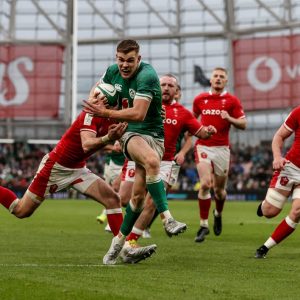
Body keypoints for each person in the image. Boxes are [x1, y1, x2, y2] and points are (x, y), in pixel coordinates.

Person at [83, 40, 188, 265]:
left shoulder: (147, 75)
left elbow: (140, 113)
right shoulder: (112, 72)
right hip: (130, 133)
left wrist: (105, 112)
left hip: (154, 137)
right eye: (120, 60)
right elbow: (96, 91)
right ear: (116, 58)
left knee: (138, 199)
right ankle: (167, 219)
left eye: (130, 60)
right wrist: (97, 102)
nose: (124, 65)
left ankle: (117, 244)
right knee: (151, 162)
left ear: (138, 59)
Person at [117, 74, 216, 263]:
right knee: (125, 199)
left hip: (164, 162)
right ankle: (122, 233)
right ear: (157, 86)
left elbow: (200, 132)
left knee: (151, 202)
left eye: (171, 85)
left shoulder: (183, 113)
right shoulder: (144, 103)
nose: (166, 88)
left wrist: (208, 131)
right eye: (163, 84)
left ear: (176, 90)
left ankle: (130, 242)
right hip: (139, 157)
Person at [0, 111, 131, 248]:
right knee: (21, 211)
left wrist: (112, 142)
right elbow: (87, 144)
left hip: (78, 169)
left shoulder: (113, 115)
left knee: (112, 199)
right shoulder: (91, 113)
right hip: (56, 168)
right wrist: (108, 138)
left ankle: (124, 247)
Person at [193, 67, 247, 243]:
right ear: (210, 80)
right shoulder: (200, 99)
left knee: (220, 191)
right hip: (203, 146)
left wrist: (229, 118)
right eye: (215, 76)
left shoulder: (232, 101)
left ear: (226, 81)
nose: (218, 79)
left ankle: (218, 213)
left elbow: (243, 124)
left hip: (222, 149)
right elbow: (192, 121)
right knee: (205, 184)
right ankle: (203, 225)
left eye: (221, 77)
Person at [255, 106, 300, 258]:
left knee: (297, 211)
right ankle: (263, 206)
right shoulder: (298, 112)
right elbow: (278, 137)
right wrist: (277, 157)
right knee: (270, 212)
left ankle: (264, 248)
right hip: (291, 168)